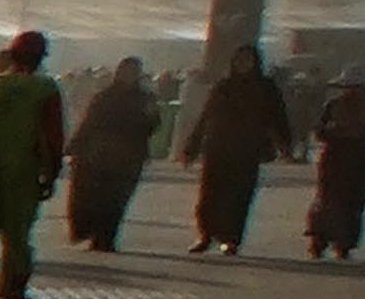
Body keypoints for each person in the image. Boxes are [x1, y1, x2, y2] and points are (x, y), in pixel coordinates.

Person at [0, 30, 69, 299]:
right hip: (22, 171)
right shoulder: (44, 89)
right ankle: (13, 293)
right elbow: (53, 135)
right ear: (39, 58)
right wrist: (51, 173)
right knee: (17, 236)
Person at [186, 43, 289, 255]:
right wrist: (192, 146)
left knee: (239, 196)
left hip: (247, 150)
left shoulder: (265, 88)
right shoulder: (224, 86)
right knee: (209, 194)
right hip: (217, 147)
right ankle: (205, 234)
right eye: (240, 59)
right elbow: (206, 117)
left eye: (248, 60)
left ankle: (230, 238)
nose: (243, 64)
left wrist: (284, 145)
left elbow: (278, 118)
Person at [69, 51, 162, 254]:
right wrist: (76, 145)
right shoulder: (104, 97)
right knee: (97, 197)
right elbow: (90, 122)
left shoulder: (145, 98)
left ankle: (106, 238)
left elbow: (153, 125)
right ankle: (96, 235)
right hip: (101, 155)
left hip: (128, 157)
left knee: (117, 199)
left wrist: (149, 116)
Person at [311, 66, 365, 262]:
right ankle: (322, 239)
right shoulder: (332, 106)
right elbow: (319, 131)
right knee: (329, 200)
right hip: (335, 160)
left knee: (351, 203)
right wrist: (334, 131)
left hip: (357, 162)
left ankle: (343, 242)